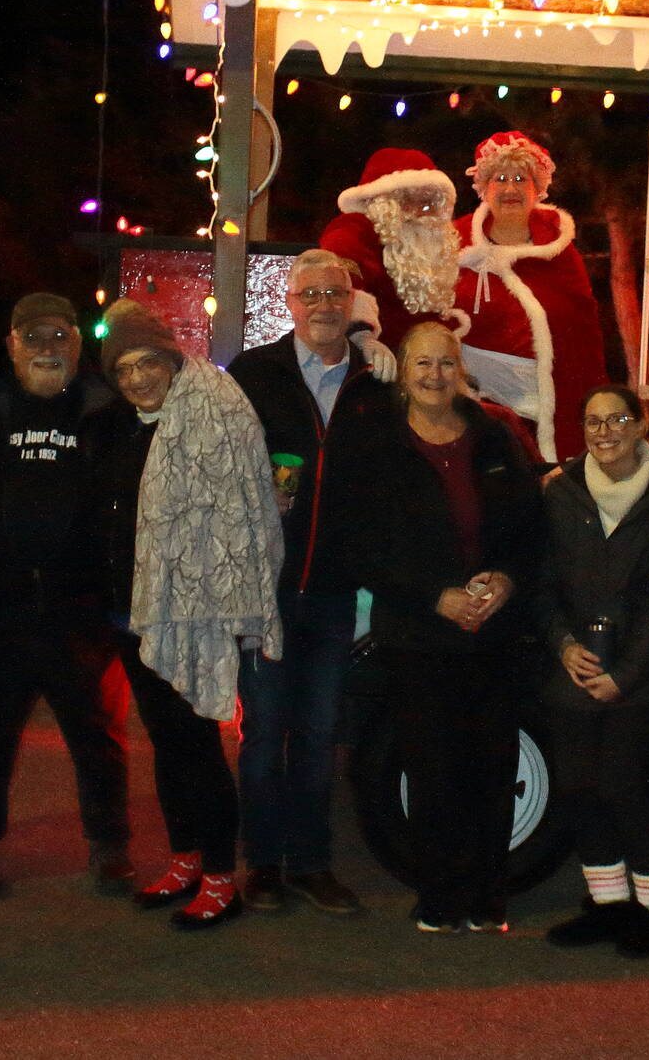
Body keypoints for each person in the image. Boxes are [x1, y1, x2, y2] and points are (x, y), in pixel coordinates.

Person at [327, 320, 543, 932]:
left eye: (446, 363)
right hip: (419, 636)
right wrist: (433, 595)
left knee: (492, 768)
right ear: (404, 372)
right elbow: (362, 544)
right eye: (422, 363)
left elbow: (529, 528)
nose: (434, 375)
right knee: (433, 770)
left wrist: (506, 579)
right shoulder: (380, 444)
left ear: (461, 370)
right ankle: (442, 897)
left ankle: (488, 899)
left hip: (493, 633)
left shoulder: (495, 438)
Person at [83, 299, 284, 931]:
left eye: (148, 362)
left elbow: (244, 507)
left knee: (196, 744)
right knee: (166, 743)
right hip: (132, 611)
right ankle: (185, 859)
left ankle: (222, 877)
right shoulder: (114, 428)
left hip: (195, 611)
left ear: (171, 359)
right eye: (124, 369)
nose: (138, 378)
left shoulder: (213, 413)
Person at [0, 293, 131, 898]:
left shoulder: (105, 409)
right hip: (5, 603)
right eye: (33, 337)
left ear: (78, 345)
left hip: (81, 604)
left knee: (93, 730)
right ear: (12, 345)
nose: (47, 348)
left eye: (59, 336)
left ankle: (109, 845)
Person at [226, 250, 395, 916]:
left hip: (333, 590)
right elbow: (220, 464)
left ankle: (312, 863)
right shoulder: (254, 373)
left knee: (321, 734)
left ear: (351, 303)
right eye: (311, 294)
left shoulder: (375, 380)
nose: (324, 305)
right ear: (289, 303)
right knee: (265, 732)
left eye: (335, 293)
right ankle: (264, 864)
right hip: (265, 588)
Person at [536, 384, 649, 957]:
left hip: (641, 678)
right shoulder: (562, 493)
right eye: (593, 422)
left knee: (625, 787)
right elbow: (542, 582)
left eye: (617, 420)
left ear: (640, 425)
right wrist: (562, 645)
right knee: (578, 788)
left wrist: (625, 674)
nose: (604, 433)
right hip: (573, 669)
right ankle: (608, 906)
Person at [452, 131, 607, 463]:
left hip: (540, 410)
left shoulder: (560, 251)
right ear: (483, 186)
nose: (510, 189)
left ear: (538, 187)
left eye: (521, 179)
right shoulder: (454, 242)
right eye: (500, 179)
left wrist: (597, 401)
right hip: (468, 408)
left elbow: (584, 334)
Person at [320, 147, 462, 350]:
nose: (419, 212)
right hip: (376, 360)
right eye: (406, 201)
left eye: (428, 203)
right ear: (385, 204)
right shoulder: (355, 231)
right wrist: (361, 336)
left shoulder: (437, 244)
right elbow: (335, 282)